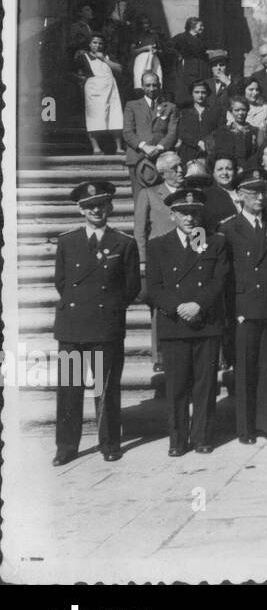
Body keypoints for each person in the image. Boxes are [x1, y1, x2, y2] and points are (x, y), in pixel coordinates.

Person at [52, 181, 141, 465]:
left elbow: (131, 287)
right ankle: (66, 446)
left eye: (101, 205)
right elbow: (62, 282)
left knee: (106, 389)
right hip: (73, 327)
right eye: (90, 206)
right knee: (69, 390)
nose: (96, 210)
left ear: (110, 207)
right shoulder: (67, 242)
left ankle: (110, 443)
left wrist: (111, 310)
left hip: (105, 327)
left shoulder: (124, 243)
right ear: (81, 210)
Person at [147, 184, 232, 456]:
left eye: (194, 212)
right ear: (172, 215)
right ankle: (177, 439)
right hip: (175, 325)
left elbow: (219, 279)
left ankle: (202, 437)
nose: (189, 218)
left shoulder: (215, 242)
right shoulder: (158, 245)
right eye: (183, 213)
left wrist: (199, 304)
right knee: (176, 387)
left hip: (205, 322)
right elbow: (154, 287)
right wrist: (178, 307)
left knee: (205, 386)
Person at [221, 169, 267, 444]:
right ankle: (246, 428)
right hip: (243, 308)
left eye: (263, 192)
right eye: (253, 193)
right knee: (245, 370)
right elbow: (222, 273)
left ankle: (266, 423)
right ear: (240, 196)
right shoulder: (227, 228)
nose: (260, 197)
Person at [122, 72, 179, 195]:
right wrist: (144, 147)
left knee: (163, 198)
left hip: (162, 158)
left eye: (154, 85)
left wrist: (159, 148)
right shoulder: (132, 106)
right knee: (140, 198)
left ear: (160, 85)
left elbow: (172, 133)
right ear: (142, 86)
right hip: (138, 157)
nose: (151, 89)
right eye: (148, 85)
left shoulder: (170, 107)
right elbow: (128, 132)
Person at [75, 33, 125, 154]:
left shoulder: (108, 56)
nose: (98, 45)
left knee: (115, 117)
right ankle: (96, 148)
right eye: (95, 43)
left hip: (110, 89)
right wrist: (81, 79)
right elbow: (71, 72)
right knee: (94, 118)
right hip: (94, 90)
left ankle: (118, 147)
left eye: (100, 43)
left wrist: (104, 59)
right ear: (89, 44)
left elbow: (119, 69)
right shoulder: (83, 57)